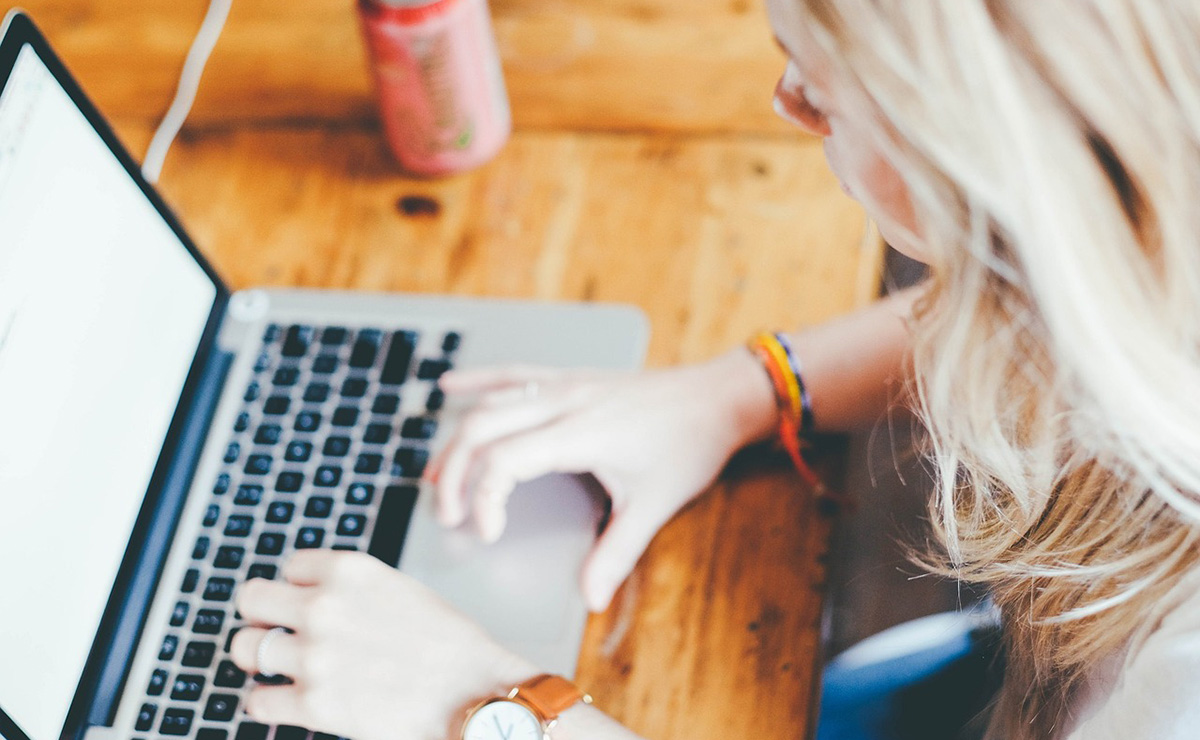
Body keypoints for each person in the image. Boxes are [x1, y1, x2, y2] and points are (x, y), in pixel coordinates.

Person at [227, 1, 1200, 738]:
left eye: (819, 84)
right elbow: (1049, 295)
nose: (787, 106)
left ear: (975, 156)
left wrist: (485, 702)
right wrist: (745, 390)